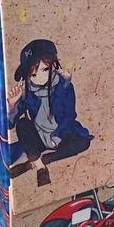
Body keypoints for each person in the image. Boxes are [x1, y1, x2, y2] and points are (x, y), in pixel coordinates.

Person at [8, 39, 94, 187]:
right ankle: (40, 166)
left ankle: (38, 161)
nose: (40, 77)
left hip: (61, 133)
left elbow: (69, 115)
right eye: (33, 75)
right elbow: (10, 124)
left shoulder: (64, 86)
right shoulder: (27, 92)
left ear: (53, 65)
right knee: (22, 124)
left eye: (44, 70)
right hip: (40, 136)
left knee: (83, 142)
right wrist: (12, 105)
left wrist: (57, 137)